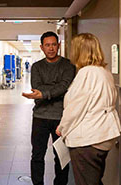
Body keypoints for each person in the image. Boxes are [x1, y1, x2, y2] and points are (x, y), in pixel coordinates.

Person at [56, 33, 121, 185]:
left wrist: (62, 127)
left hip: (88, 140)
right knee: (94, 180)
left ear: (79, 51)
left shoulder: (87, 73)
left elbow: (76, 108)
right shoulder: (104, 72)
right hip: (103, 136)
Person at [22, 31, 76, 185]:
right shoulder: (37, 67)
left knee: (61, 156)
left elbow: (64, 86)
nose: (51, 48)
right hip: (40, 117)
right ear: (41, 47)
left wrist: (44, 94)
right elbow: (37, 88)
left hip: (61, 118)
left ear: (58, 45)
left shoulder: (68, 65)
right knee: (37, 155)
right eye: (47, 45)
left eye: (53, 44)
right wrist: (53, 90)